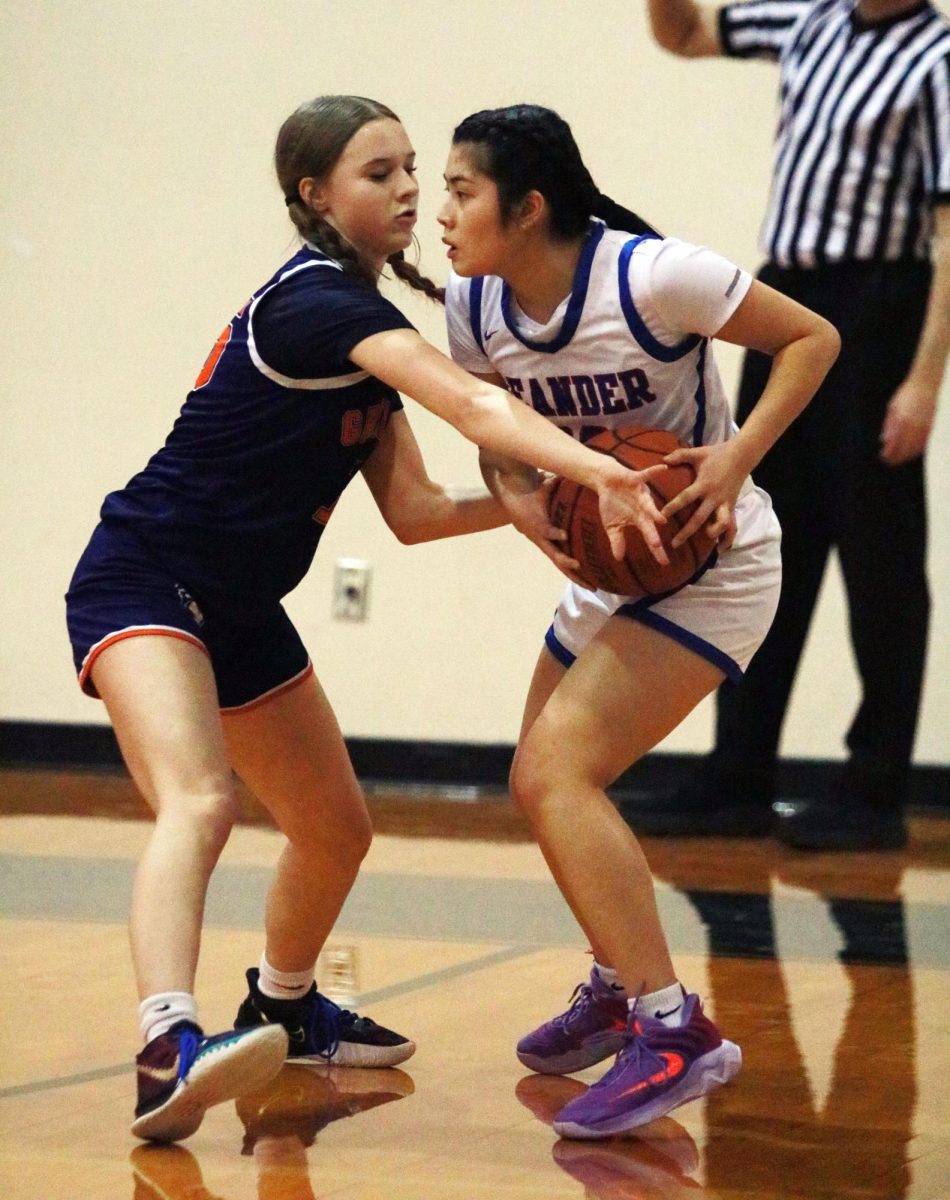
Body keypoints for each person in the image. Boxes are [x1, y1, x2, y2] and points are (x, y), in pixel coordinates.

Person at [64, 94, 677, 1144]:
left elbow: (417, 514)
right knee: (201, 801)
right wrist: (595, 472)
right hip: (145, 577)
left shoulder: (360, 326)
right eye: (378, 173)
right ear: (314, 196)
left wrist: (528, 507)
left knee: (336, 828)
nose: (406, 191)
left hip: (241, 607)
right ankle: (165, 1049)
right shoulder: (314, 303)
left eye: (411, 171)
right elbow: (476, 408)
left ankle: (284, 1007)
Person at [438, 103, 839, 1138]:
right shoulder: (473, 309)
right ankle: (619, 985)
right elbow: (501, 435)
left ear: (525, 207)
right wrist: (527, 507)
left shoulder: (654, 277)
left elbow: (811, 338)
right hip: (610, 569)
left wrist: (736, 456)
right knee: (544, 774)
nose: (441, 212)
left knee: (551, 773)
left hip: (713, 562)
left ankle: (674, 1031)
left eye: (460, 189)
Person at [623, 0, 950, 850]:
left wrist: (923, 380)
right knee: (758, 534)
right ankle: (739, 771)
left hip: (880, 306)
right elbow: (684, 35)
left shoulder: (941, 54)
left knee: (878, 557)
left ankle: (874, 792)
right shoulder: (807, 19)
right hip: (785, 305)